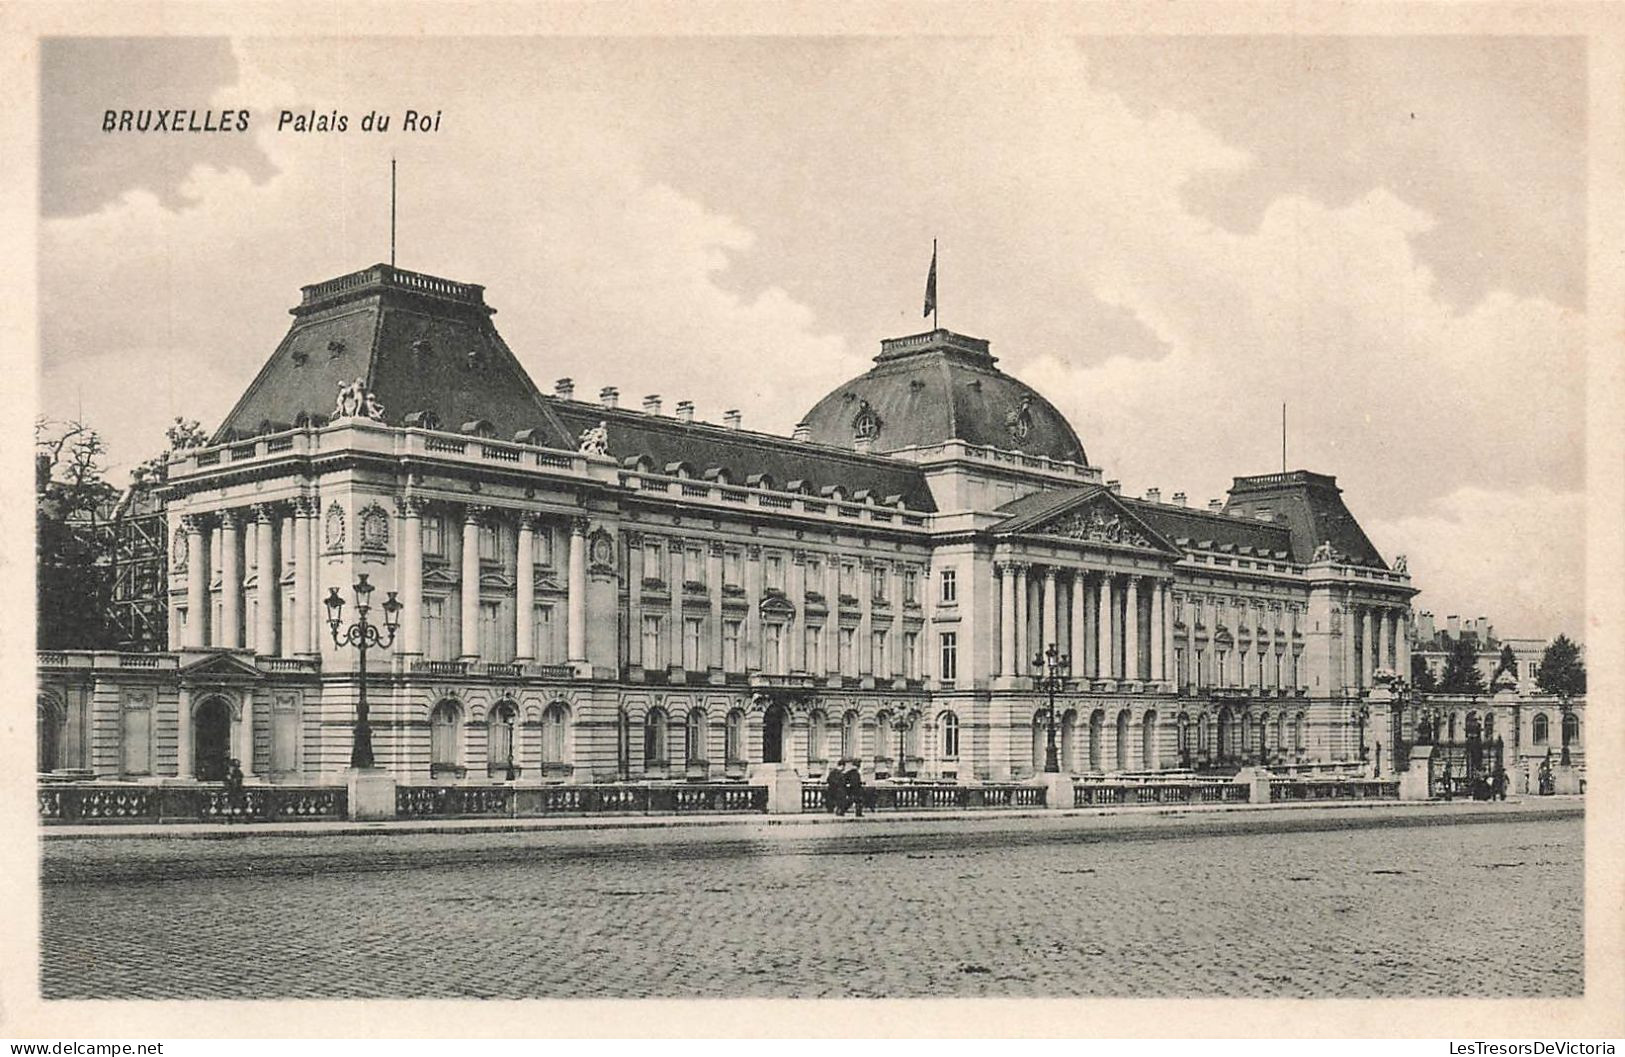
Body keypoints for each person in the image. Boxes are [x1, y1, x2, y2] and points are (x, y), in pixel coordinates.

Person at [224, 758, 247, 823]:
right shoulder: (227, 773)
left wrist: (230, 779)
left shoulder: (238, 773)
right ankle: (230, 819)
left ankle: (240, 818)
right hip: (231, 792)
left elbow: (238, 782)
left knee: (238, 805)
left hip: (236, 791)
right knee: (230, 806)